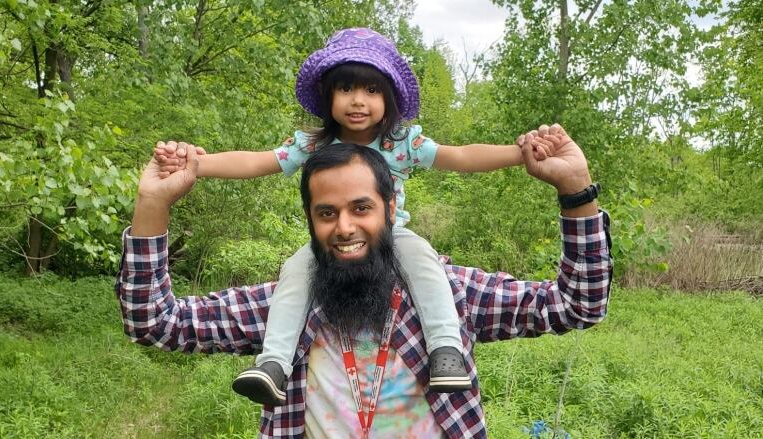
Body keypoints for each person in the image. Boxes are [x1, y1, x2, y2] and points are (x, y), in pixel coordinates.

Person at [116, 126, 612, 438]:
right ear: (310, 220)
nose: (345, 227)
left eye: (362, 208)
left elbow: (577, 304)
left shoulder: (449, 293)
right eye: (326, 213)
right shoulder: (286, 307)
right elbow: (155, 322)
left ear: (391, 209)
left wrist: (575, 190)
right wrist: (153, 204)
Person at [152, 27, 555, 405]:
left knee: (427, 264)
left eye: (371, 89)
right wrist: (197, 166)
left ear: (388, 99)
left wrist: (519, 153)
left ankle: (446, 351)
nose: (358, 100)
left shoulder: (402, 143)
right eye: (346, 88)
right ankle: (273, 363)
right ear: (329, 96)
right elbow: (257, 162)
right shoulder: (314, 144)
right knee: (295, 271)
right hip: (332, 247)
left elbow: (463, 156)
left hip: (392, 237)